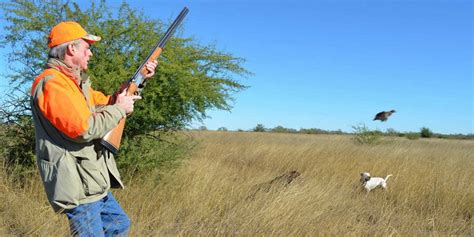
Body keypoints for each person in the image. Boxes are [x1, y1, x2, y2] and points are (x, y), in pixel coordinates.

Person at [30, 21, 157, 236]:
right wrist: (119, 110)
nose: (90, 53)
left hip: (91, 179)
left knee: (119, 225)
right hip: (77, 184)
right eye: (87, 47)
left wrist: (139, 79)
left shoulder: (74, 83)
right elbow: (83, 129)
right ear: (72, 49)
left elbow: (108, 102)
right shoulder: (52, 83)